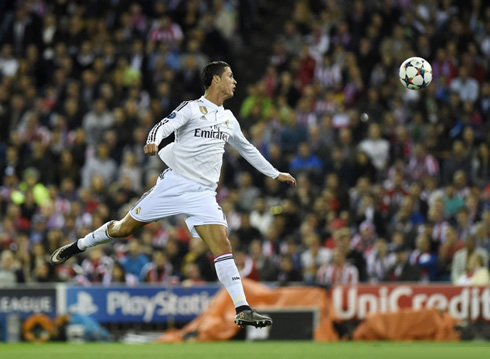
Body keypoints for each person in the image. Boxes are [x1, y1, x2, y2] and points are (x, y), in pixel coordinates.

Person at [50, 61, 296, 328]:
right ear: (215, 80)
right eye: (230, 76)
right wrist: (152, 141)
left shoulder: (228, 118)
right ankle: (79, 245)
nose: (234, 81)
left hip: (204, 194)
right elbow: (163, 126)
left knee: (223, 246)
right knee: (123, 229)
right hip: (174, 184)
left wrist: (274, 173)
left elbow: (247, 148)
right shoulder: (192, 108)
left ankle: (242, 308)